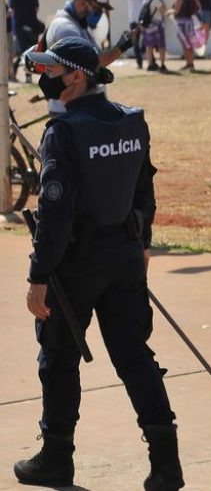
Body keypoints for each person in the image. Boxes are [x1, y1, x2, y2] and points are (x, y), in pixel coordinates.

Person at [17, 37, 182, 491]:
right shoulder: (131, 120)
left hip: (77, 265)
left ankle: (56, 458)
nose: (41, 77)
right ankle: (167, 466)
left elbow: (55, 212)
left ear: (75, 76)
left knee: (58, 358)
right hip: (125, 256)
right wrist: (142, 242)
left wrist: (38, 275)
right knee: (135, 357)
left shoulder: (64, 132)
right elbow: (144, 191)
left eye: (50, 71)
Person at [44, 0, 130, 113]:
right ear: (82, 3)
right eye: (97, 8)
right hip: (69, 110)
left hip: (81, 107)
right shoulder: (66, 27)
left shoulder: (79, 25)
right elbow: (92, 62)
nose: (100, 14)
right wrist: (120, 47)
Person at [10, 0, 40, 79]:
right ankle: (28, 74)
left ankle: (14, 70)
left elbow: (13, 12)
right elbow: (36, 11)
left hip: (19, 27)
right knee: (32, 51)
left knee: (22, 51)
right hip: (32, 27)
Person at [140, 0, 169, 73]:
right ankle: (162, 64)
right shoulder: (156, 0)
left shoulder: (146, 0)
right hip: (157, 25)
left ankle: (150, 64)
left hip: (147, 26)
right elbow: (164, 11)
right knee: (161, 46)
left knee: (149, 46)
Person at [171, 0, 199, 71]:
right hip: (190, 22)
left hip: (181, 23)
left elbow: (176, 11)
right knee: (190, 43)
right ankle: (191, 63)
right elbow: (197, 9)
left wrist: (170, 12)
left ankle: (189, 63)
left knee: (185, 44)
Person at [124, 0, 147, 70]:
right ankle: (139, 61)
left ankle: (148, 58)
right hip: (134, 19)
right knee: (136, 41)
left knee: (146, 40)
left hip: (144, 18)